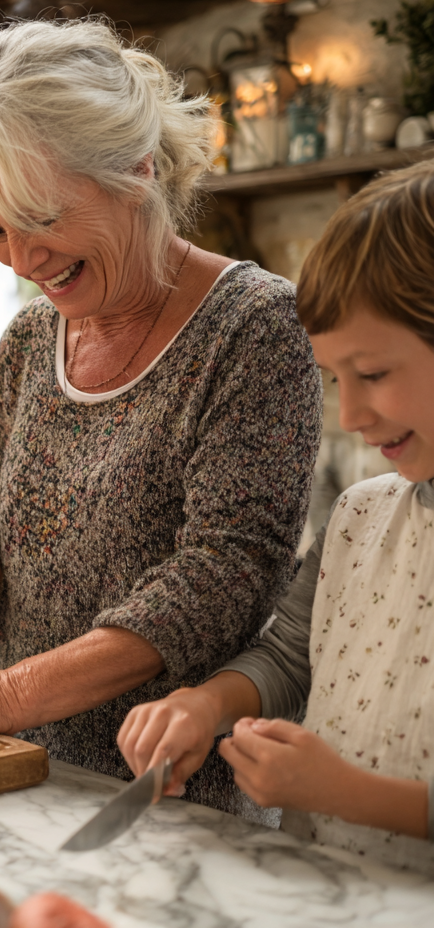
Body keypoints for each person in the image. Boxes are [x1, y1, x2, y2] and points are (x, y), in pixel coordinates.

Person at [0, 18, 322, 817]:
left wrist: (0, 693)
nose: (21, 259)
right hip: (28, 774)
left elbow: (225, 576)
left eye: (41, 217)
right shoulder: (30, 339)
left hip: (179, 797)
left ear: (137, 169)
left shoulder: (254, 324)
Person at [118, 161, 434, 872]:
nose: (350, 416)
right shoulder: (359, 517)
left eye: (373, 374)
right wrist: (205, 706)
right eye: (335, 379)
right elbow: (291, 656)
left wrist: (346, 794)